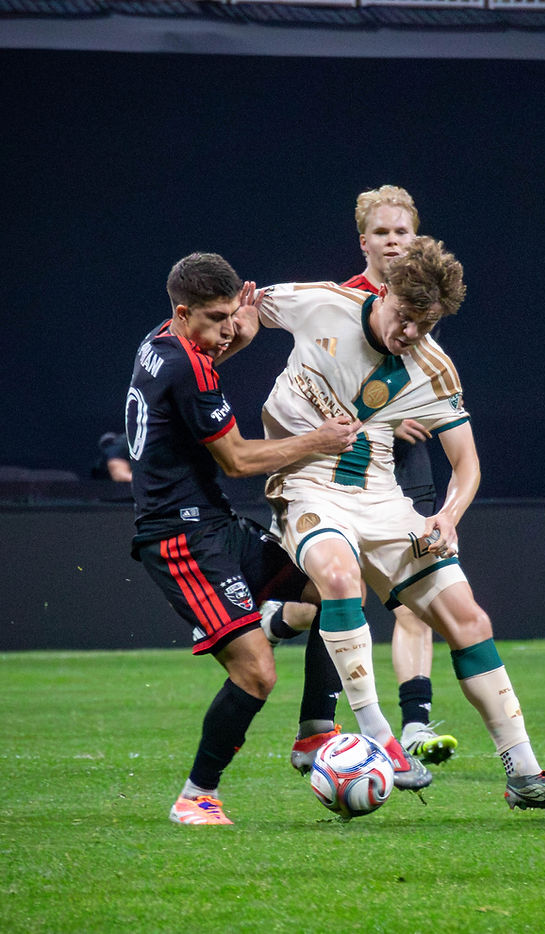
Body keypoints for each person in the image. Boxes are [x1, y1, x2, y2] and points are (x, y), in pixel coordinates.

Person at [258, 235, 545, 812]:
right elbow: (240, 314)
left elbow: (467, 463)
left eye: (425, 325)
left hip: (383, 500)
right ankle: (379, 735)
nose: (410, 333)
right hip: (307, 482)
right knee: (339, 578)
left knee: (469, 619)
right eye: (405, 318)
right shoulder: (323, 303)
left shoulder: (433, 369)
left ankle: (525, 772)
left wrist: (449, 515)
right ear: (382, 290)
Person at [126, 251, 359, 825]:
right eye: (216, 318)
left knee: (334, 591)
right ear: (183, 313)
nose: (229, 327)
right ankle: (195, 797)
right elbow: (235, 460)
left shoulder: (160, 342)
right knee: (255, 672)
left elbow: (199, 367)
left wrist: (237, 337)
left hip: (214, 523)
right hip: (181, 541)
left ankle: (314, 735)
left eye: (234, 312)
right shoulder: (189, 366)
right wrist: (318, 440)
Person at [341, 185, 458, 767]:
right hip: (344, 467)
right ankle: (319, 721)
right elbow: (324, 396)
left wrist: (417, 413)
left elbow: (424, 382)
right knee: (334, 596)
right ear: (364, 241)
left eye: (402, 231)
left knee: (416, 596)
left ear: (417, 237)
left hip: (408, 470)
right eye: (382, 232)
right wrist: (384, 420)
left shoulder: (424, 299)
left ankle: (413, 725)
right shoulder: (341, 300)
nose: (393, 241)